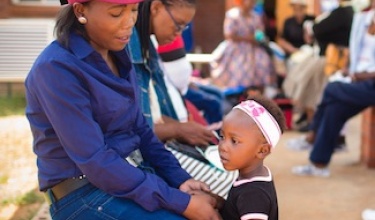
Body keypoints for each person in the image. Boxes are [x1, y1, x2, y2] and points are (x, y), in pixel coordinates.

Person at [24, 0, 222, 219]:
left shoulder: (118, 52)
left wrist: (180, 179)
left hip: (131, 175)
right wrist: (181, 202)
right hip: (85, 194)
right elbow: (95, 160)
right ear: (80, 11)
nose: (129, 22)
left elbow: (140, 129)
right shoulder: (56, 68)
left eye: (134, 10)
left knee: (221, 204)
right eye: (117, 13)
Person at [127, 0, 238, 198]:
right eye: (178, 24)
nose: (179, 34)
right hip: (140, 159)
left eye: (185, 27)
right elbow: (135, 132)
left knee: (236, 181)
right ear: (156, 7)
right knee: (230, 188)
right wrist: (178, 129)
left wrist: (182, 128)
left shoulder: (146, 44)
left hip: (158, 149)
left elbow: (151, 118)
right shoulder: (128, 44)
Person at [292, 0, 375, 177]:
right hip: (356, 80)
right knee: (334, 110)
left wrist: (361, 76)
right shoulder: (362, 19)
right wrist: (347, 68)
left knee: (331, 88)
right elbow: (353, 48)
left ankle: (311, 135)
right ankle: (319, 164)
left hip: (369, 82)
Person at [282, 0, 353, 132]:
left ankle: (315, 127)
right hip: (323, 58)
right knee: (311, 95)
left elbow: (318, 30)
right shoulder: (342, 12)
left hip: (328, 61)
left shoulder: (342, 12)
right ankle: (312, 125)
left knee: (314, 96)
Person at [218, 95, 286, 220]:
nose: (223, 146)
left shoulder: (253, 195)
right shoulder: (255, 177)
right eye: (222, 136)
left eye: (234, 141)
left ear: (262, 150)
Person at [210, 0, 275, 93]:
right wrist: (248, 38)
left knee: (263, 62)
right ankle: (237, 94)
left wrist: (258, 37)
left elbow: (260, 32)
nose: (252, 3)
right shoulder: (232, 15)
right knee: (240, 66)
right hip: (236, 47)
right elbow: (229, 35)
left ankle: (258, 93)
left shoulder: (256, 16)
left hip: (253, 47)